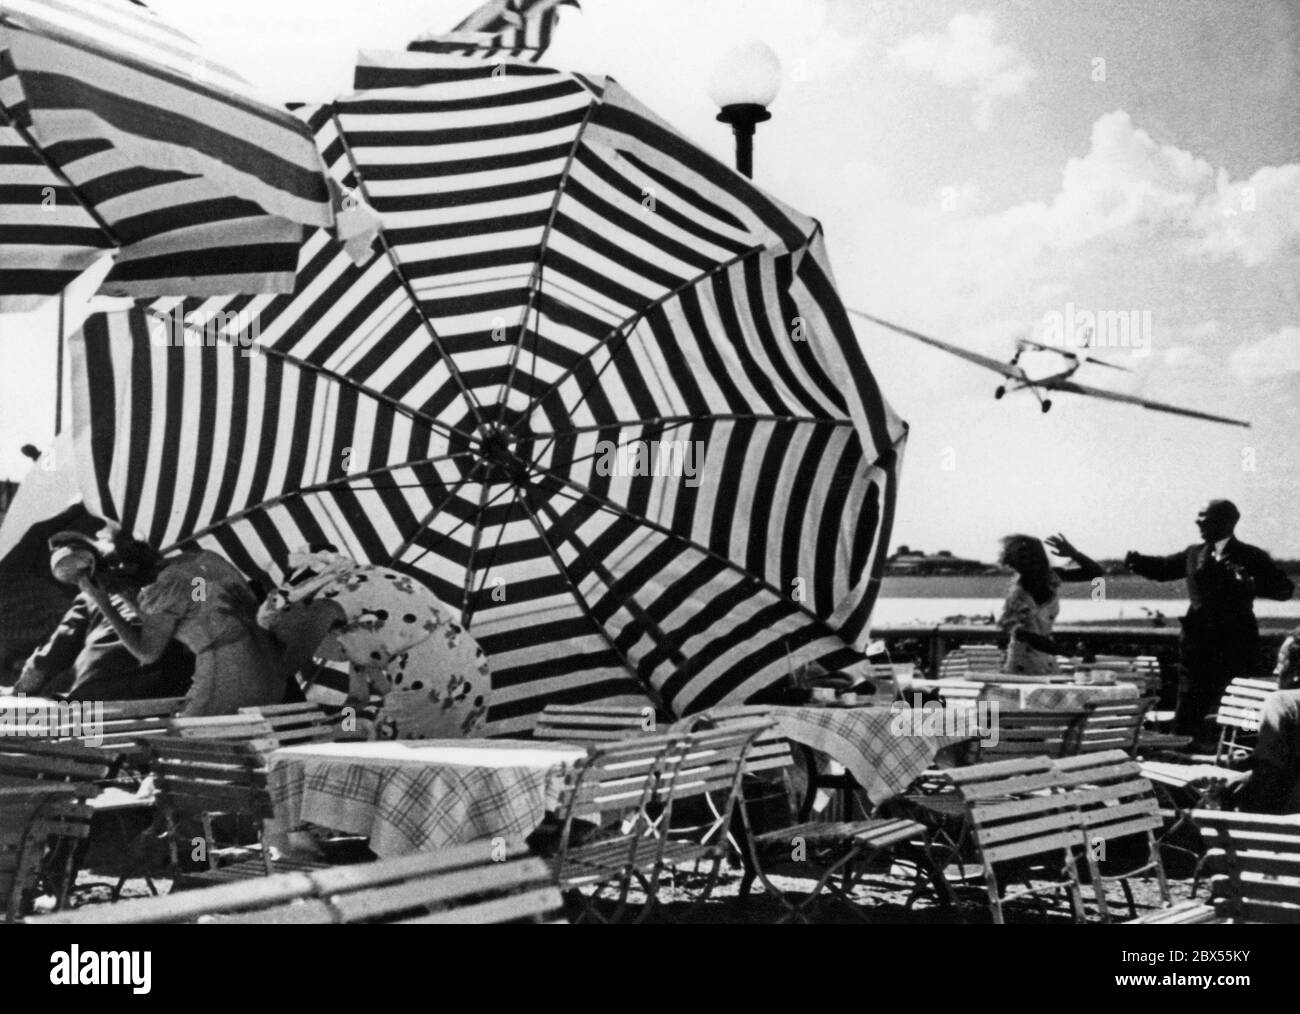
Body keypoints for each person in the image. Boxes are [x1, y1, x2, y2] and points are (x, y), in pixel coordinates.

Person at [257, 549, 491, 739]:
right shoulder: (363, 631)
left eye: (281, 634)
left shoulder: (333, 596)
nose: (284, 641)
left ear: (295, 610)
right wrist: (344, 726)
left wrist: (280, 671)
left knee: (387, 758)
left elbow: (316, 622)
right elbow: (357, 700)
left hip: (432, 676)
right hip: (471, 670)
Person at [1125, 500, 1294, 738]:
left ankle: (1241, 752)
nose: (1198, 521)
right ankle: (1180, 750)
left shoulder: (1251, 555)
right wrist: (1137, 562)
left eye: (1204, 517)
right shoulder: (1194, 553)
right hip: (1196, 646)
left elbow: (1284, 590)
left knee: (1241, 702)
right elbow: (1164, 569)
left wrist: (1251, 584)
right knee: (1188, 703)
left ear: (1227, 521)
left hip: (1235, 645)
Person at [79, 545, 286, 717]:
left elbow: (147, 653)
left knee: (186, 730)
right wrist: (128, 598)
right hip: (263, 660)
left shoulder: (168, 587)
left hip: (230, 670)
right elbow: (193, 611)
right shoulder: (200, 560)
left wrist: (104, 605)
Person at [0, 529, 193, 701]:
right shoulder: (174, 589)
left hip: (99, 693)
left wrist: (17, 692)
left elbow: (50, 659)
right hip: (166, 691)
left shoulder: (90, 598)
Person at [998, 533, 1104, 675]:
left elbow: (1096, 573)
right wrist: (1067, 651)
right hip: (1023, 662)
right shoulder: (1016, 597)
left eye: (1037, 555)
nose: (1034, 562)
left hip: (1048, 656)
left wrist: (1073, 553)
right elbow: (1026, 636)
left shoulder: (1050, 577)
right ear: (1014, 564)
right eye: (1025, 559)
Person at [1229, 626, 1300, 814]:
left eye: (1280, 662)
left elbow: (1267, 773)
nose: (1275, 670)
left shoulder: (1282, 702)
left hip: (1286, 821)